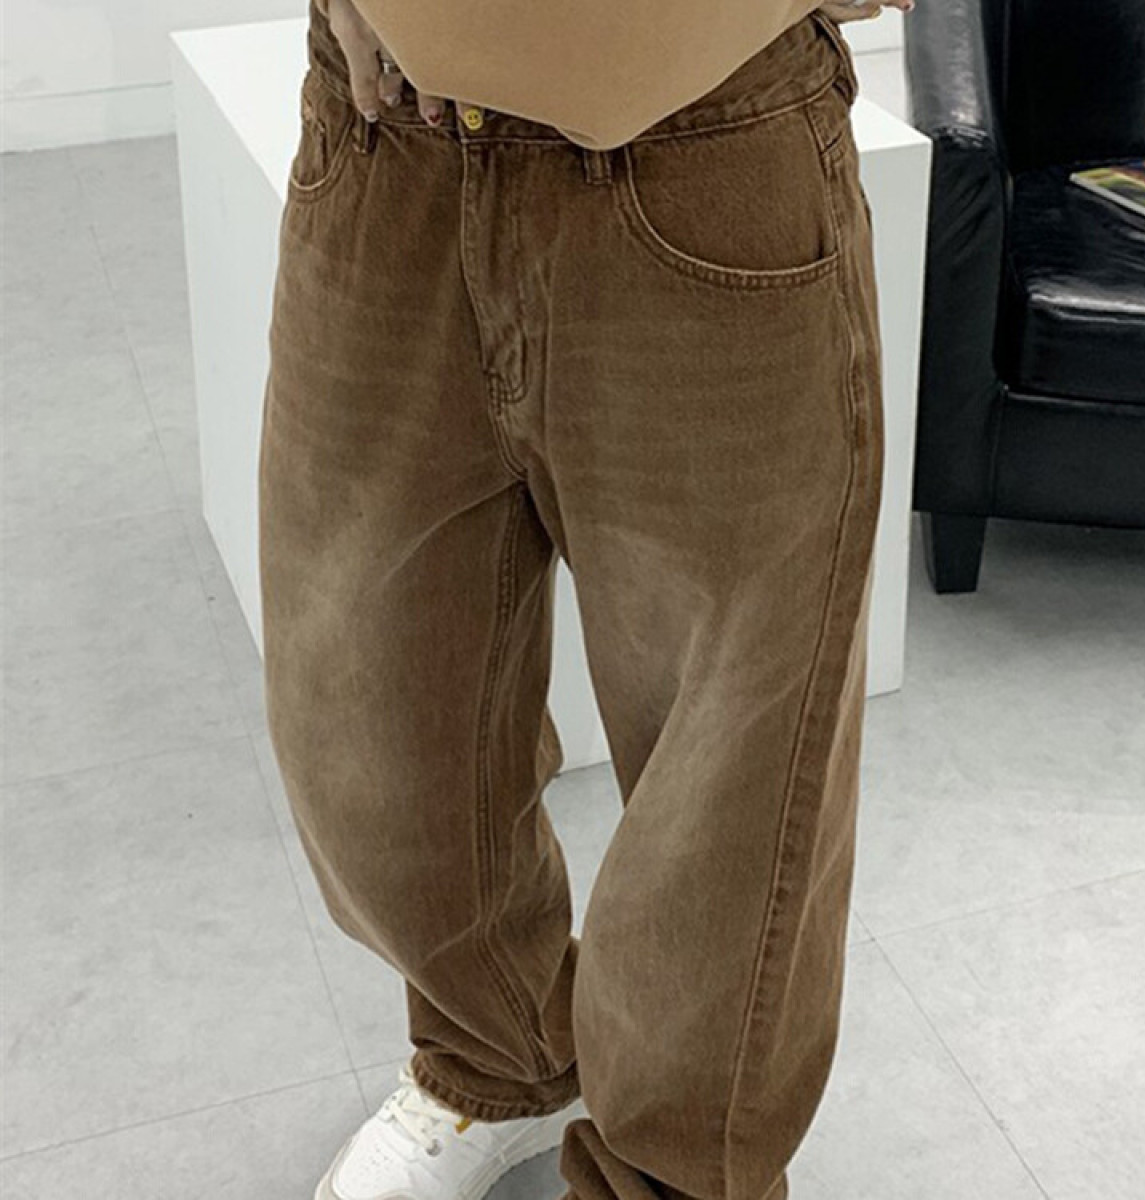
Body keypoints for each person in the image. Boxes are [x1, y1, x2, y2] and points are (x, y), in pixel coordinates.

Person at [258, 1, 913, 1197]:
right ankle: (498, 1054)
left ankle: (671, 1178)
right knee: (362, 706)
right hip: (390, 131)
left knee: (731, 757)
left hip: (705, 134)